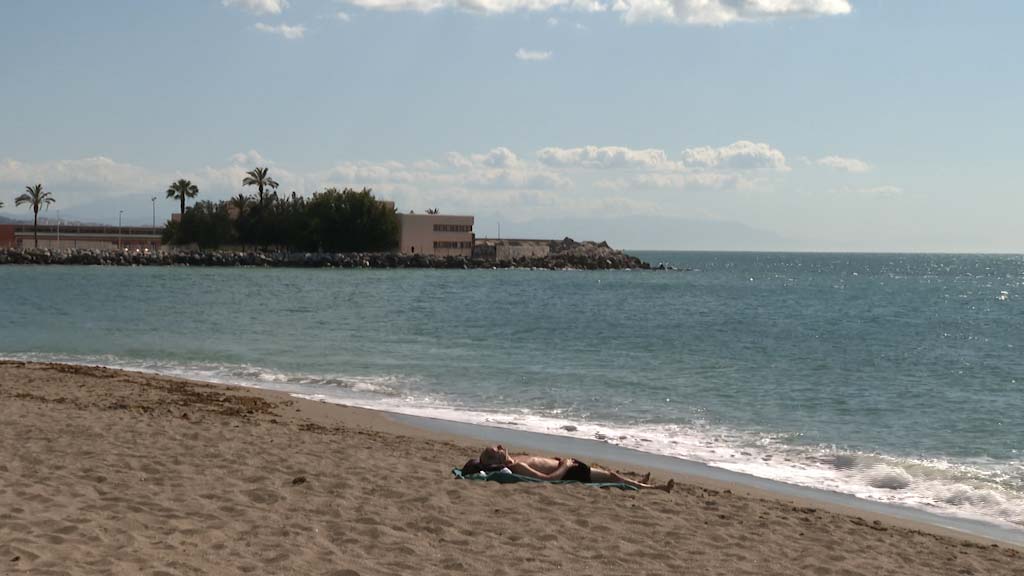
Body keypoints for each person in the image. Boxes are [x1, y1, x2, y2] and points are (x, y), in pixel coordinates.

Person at [468, 445, 674, 492]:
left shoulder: (517, 458)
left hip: (565, 464)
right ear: (496, 460)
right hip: (570, 471)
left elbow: (540, 462)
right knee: (611, 476)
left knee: (609, 473)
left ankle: (640, 482)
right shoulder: (517, 466)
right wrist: (565, 466)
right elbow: (546, 480)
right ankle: (655, 489)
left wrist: (554, 460)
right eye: (496, 449)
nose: (500, 446)